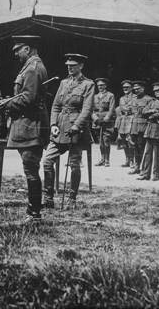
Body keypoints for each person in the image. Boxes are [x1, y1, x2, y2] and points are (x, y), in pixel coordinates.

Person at [2, 35, 50, 222]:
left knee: (31, 169)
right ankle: (33, 211)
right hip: (31, 124)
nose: (15, 53)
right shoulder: (33, 67)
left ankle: (34, 214)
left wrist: (6, 104)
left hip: (31, 125)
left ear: (27, 49)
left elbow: (28, 98)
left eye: (18, 49)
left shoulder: (32, 69)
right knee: (30, 168)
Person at [42, 53, 94, 209]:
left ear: (81, 66)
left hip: (75, 130)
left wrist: (77, 126)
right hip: (60, 128)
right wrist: (53, 125)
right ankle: (48, 198)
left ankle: (72, 199)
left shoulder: (88, 84)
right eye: (68, 65)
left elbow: (87, 108)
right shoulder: (64, 83)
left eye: (73, 65)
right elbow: (56, 106)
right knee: (47, 161)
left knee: (74, 164)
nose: (70, 67)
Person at [138, 82, 159, 181]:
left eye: (158, 90)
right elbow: (143, 112)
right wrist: (152, 111)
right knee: (147, 152)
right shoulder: (152, 102)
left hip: (158, 128)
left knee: (157, 153)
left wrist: (151, 114)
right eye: (155, 91)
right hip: (149, 128)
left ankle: (156, 174)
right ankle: (146, 174)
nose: (156, 93)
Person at [128, 81, 152, 175]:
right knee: (135, 147)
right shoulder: (133, 99)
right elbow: (130, 111)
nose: (136, 90)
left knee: (142, 147)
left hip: (143, 125)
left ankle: (143, 168)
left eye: (138, 89)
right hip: (134, 125)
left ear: (143, 88)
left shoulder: (148, 99)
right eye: (135, 89)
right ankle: (137, 166)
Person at [91, 78, 115, 167]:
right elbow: (91, 110)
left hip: (106, 123)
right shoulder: (94, 97)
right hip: (97, 122)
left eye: (102, 85)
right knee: (100, 141)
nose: (100, 87)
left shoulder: (110, 95)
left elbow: (111, 109)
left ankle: (107, 159)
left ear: (105, 85)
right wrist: (96, 119)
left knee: (106, 140)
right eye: (98, 85)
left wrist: (105, 119)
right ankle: (102, 159)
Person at [116, 80, 135, 167]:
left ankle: (132, 161)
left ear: (131, 88)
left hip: (131, 120)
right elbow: (120, 109)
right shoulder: (121, 99)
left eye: (127, 87)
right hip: (123, 121)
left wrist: (127, 109)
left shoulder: (135, 97)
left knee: (130, 142)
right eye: (124, 87)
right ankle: (127, 160)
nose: (125, 89)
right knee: (124, 142)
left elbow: (134, 109)